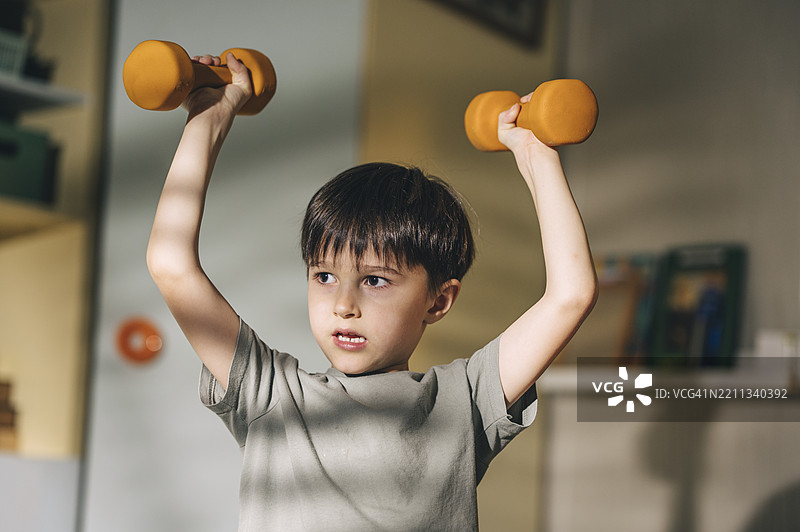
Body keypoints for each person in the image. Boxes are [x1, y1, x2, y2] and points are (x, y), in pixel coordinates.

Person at [146, 53, 597, 531]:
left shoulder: (466, 401)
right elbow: (170, 263)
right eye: (324, 277)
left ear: (438, 301)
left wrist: (533, 154)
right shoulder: (272, 396)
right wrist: (211, 117)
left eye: (375, 281)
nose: (343, 305)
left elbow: (571, 294)